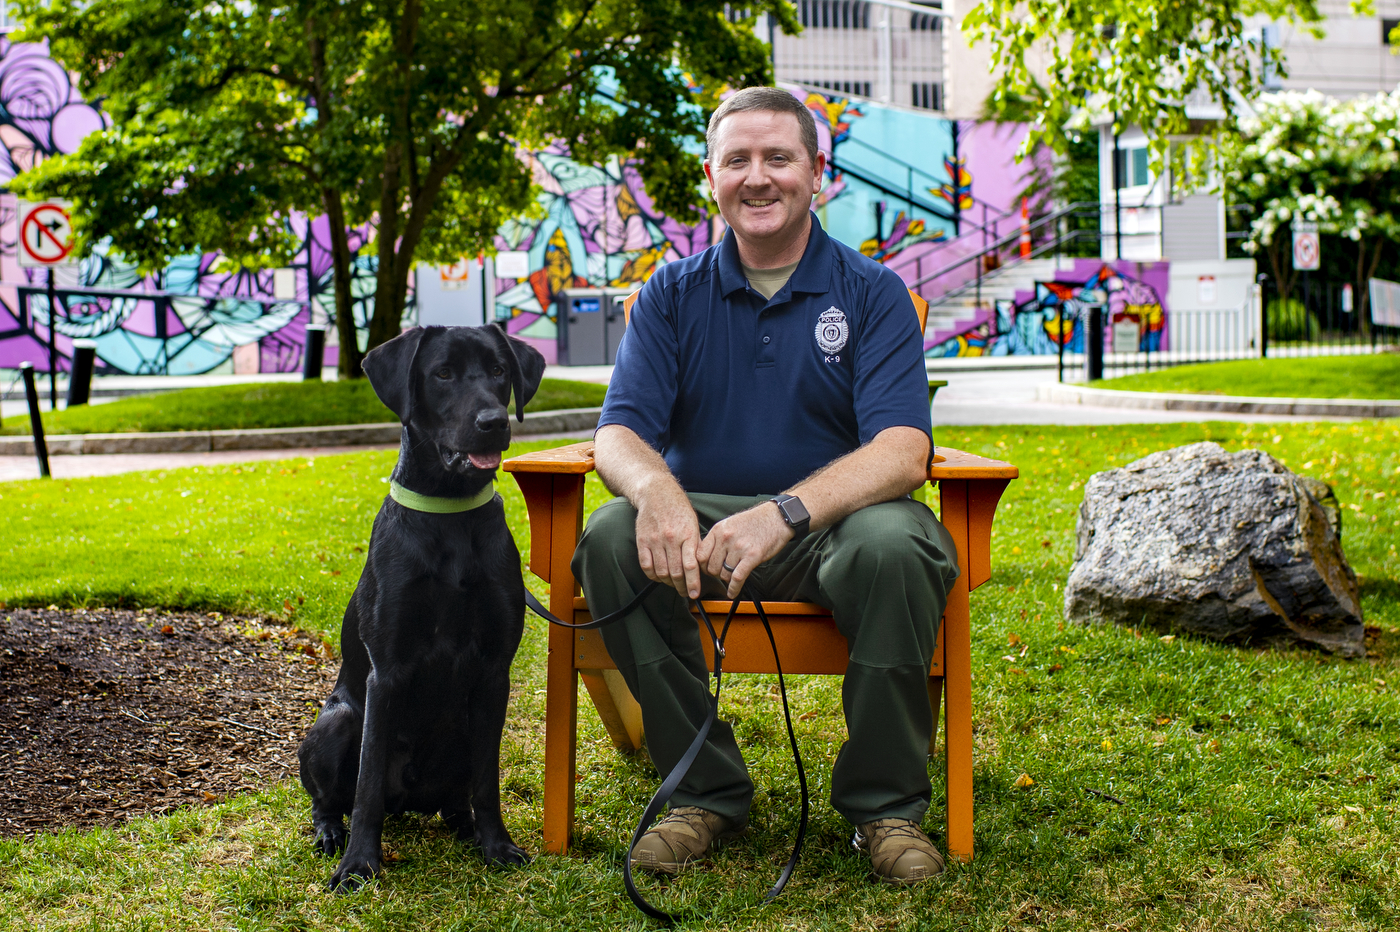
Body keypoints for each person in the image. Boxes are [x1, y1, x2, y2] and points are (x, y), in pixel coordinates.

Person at [572, 86, 959, 886]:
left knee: (897, 544)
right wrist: (658, 492)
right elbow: (618, 432)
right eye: (737, 159)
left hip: (835, 533)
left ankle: (885, 809)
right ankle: (699, 790)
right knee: (612, 535)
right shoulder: (670, 297)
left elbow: (902, 448)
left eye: (778, 157)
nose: (758, 177)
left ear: (817, 174)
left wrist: (785, 512)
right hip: (705, 534)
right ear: (709, 176)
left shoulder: (873, 293)